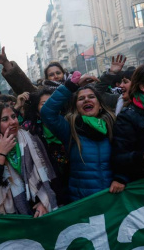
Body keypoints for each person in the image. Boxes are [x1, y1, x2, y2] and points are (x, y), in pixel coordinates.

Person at [40, 73, 118, 201]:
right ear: (76, 107)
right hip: (83, 202)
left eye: (91, 97)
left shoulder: (113, 125)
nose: (87, 100)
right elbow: (47, 112)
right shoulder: (70, 129)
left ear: (100, 105)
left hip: (112, 198)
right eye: (81, 99)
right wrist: (71, 86)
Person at [0, 103, 57, 216]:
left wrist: (44, 202)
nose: (13, 122)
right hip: (11, 217)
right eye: (5, 119)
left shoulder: (31, 139)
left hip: (37, 211)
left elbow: (50, 176)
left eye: (13, 116)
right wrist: (0, 154)